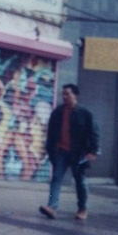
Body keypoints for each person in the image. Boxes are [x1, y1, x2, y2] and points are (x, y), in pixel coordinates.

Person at [39, 84, 99, 221]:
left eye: (67, 94)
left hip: (78, 154)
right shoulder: (58, 112)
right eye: (63, 94)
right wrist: (50, 150)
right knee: (56, 179)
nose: (64, 96)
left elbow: (94, 133)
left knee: (80, 181)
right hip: (60, 152)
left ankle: (82, 209)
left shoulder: (85, 113)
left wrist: (92, 151)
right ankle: (52, 207)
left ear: (75, 95)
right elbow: (51, 133)